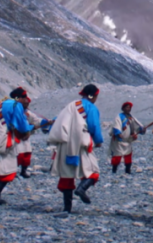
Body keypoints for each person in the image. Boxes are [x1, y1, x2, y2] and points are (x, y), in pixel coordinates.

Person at [48, 84, 104, 215]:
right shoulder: (91, 107)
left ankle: (67, 208)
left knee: (67, 175)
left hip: (65, 144)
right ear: (93, 96)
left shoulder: (71, 105)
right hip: (80, 144)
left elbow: (58, 120)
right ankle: (81, 189)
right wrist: (98, 141)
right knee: (92, 170)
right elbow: (93, 125)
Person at [15, 97, 52, 179]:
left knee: (26, 154)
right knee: (17, 154)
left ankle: (23, 171)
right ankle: (12, 171)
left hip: (25, 137)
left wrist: (46, 122)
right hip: (16, 136)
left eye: (27, 103)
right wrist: (30, 127)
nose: (27, 105)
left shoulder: (28, 113)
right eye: (25, 103)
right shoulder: (16, 112)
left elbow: (36, 120)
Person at [110, 102, 145, 174]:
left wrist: (141, 129)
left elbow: (136, 126)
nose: (128, 109)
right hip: (119, 141)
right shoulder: (119, 117)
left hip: (127, 141)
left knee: (128, 155)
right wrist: (118, 133)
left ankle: (128, 170)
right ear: (123, 108)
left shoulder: (131, 118)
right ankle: (114, 170)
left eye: (129, 107)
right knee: (117, 155)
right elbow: (116, 125)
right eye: (127, 107)